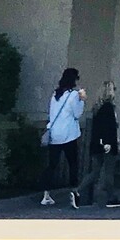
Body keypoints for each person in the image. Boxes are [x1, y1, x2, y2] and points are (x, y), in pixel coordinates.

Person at [41, 67, 85, 207]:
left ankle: (46, 194)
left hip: (54, 134)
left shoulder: (55, 95)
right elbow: (77, 114)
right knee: (73, 163)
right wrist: (82, 99)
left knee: (52, 164)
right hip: (69, 134)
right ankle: (74, 191)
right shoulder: (73, 95)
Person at [78, 80, 120, 209]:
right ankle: (111, 198)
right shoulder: (109, 107)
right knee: (109, 172)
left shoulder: (97, 108)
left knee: (95, 171)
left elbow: (98, 128)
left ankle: (77, 191)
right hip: (108, 144)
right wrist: (109, 142)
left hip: (97, 144)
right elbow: (108, 128)